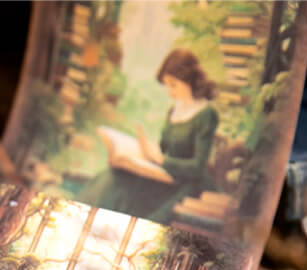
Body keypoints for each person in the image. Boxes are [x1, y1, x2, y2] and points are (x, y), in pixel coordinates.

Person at [80, 49, 219, 224]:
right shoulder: (175, 110)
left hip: (186, 185)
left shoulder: (206, 114)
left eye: (173, 85)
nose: (169, 92)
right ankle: (85, 218)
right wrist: (147, 152)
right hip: (164, 176)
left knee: (141, 207)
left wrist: (162, 160)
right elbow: (164, 148)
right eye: (167, 85)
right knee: (115, 177)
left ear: (189, 80)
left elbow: (197, 167)